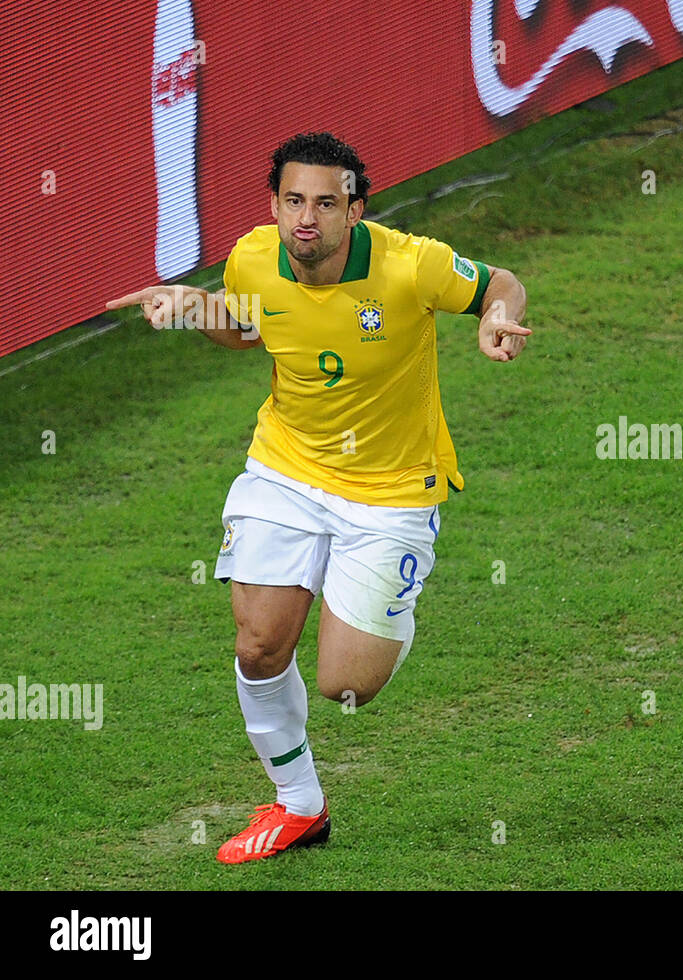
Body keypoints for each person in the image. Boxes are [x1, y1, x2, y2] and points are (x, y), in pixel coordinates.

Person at [108, 131, 530, 860]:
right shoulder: (250, 257)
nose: (307, 219)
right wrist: (192, 309)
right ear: (274, 204)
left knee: (347, 686)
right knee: (259, 643)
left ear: (355, 210)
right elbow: (249, 328)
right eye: (293, 201)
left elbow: (502, 283)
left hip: (393, 488)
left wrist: (495, 318)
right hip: (289, 469)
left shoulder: (410, 264)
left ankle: (383, 592)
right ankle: (300, 805)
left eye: (326, 204)